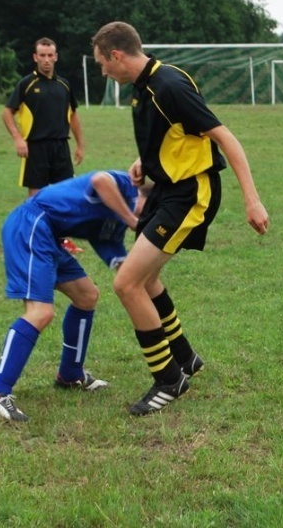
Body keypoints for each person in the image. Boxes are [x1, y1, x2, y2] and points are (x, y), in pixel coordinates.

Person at [90, 21, 269, 416]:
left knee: (127, 283)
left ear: (117, 56)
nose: (103, 72)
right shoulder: (145, 87)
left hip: (190, 194)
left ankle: (168, 378)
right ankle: (185, 358)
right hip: (166, 190)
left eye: (103, 64)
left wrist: (252, 201)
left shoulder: (169, 85)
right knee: (146, 279)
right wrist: (145, 161)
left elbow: (225, 138)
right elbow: (177, 133)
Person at [0, 170, 143, 422]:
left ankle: (70, 373)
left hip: (50, 237)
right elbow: (99, 181)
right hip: (31, 224)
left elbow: (127, 270)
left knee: (87, 296)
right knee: (40, 312)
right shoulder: (125, 185)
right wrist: (131, 218)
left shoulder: (114, 228)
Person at [3, 37, 87, 252]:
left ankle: (63, 240)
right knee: (36, 196)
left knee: (66, 196)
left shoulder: (64, 85)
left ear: (56, 57)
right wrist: (18, 138)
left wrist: (80, 145)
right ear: (35, 57)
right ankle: (33, 238)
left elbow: (73, 115)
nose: (47, 60)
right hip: (36, 147)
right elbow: (7, 112)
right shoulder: (27, 84)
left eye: (50, 55)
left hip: (61, 147)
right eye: (42, 55)